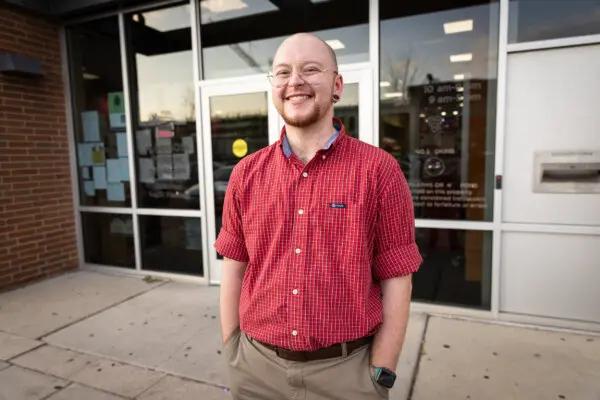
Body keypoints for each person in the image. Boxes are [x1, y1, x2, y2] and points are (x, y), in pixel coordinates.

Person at [215, 32, 422, 400]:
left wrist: (382, 369)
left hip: (348, 375)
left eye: (311, 69)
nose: (295, 82)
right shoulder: (246, 175)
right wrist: (233, 348)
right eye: (283, 73)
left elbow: (397, 278)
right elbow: (235, 265)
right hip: (256, 370)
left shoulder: (379, 171)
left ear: (337, 85)